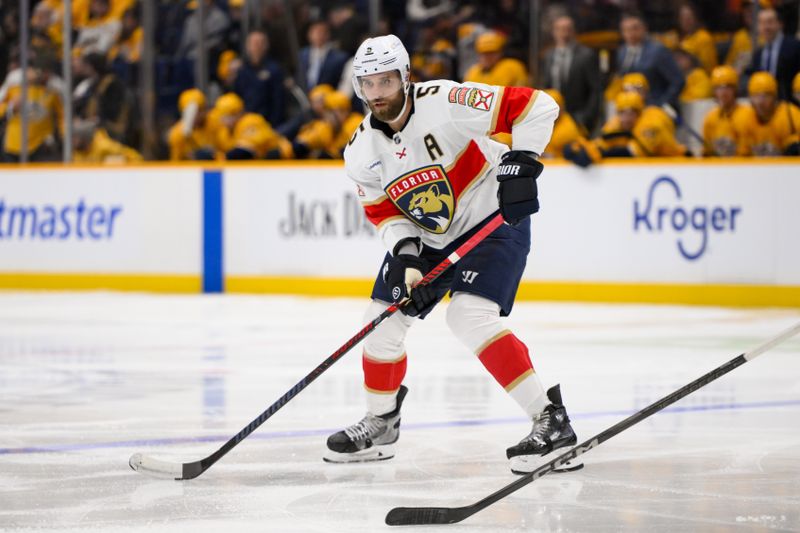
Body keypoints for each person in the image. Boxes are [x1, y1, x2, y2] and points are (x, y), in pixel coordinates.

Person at [326, 34, 581, 475]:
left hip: (492, 223)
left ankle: (550, 420)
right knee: (380, 322)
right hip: (428, 240)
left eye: (386, 82)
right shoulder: (360, 151)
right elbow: (384, 211)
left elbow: (537, 105)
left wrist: (523, 162)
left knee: (467, 316)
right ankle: (382, 422)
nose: (377, 94)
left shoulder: (445, 100)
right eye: (368, 84)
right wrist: (405, 254)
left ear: (405, 77)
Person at [540, 14, 601, 132]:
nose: (564, 33)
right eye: (560, 29)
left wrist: (586, 117)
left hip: (578, 117)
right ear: (554, 32)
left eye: (568, 29)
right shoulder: (549, 56)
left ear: (573, 31)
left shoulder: (586, 55)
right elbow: (546, 87)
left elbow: (595, 90)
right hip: (554, 118)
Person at [616, 11, 685, 108]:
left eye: (635, 28)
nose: (631, 33)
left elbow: (678, 81)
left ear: (644, 28)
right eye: (626, 30)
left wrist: (662, 103)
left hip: (655, 106)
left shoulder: (658, 51)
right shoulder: (622, 52)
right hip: (631, 109)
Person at [739, 72, 800, 156]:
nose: (760, 102)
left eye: (766, 95)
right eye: (756, 95)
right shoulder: (745, 117)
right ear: (749, 98)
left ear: (775, 97)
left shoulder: (790, 115)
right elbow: (742, 155)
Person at [746, 7, 800, 102]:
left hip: (791, 107)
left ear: (780, 24)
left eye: (770, 22)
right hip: (766, 109)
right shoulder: (758, 54)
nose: (766, 27)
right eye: (762, 23)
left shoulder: (795, 47)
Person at [702, 66, 749, 156]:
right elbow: (706, 154)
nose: (723, 93)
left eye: (728, 87)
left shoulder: (746, 115)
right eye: (718, 88)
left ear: (735, 89)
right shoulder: (710, 118)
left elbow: (746, 154)